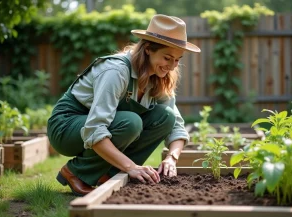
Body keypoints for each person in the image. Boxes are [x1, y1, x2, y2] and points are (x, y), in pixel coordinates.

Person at [47, 14, 201, 196]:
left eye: (177, 59)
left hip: (96, 127)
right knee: (131, 122)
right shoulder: (116, 71)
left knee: (165, 116)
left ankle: (109, 175)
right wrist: (132, 166)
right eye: (167, 58)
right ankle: (77, 172)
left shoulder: (159, 77)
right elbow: (95, 128)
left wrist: (171, 158)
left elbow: (175, 123)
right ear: (148, 49)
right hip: (66, 126)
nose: (173, 66)